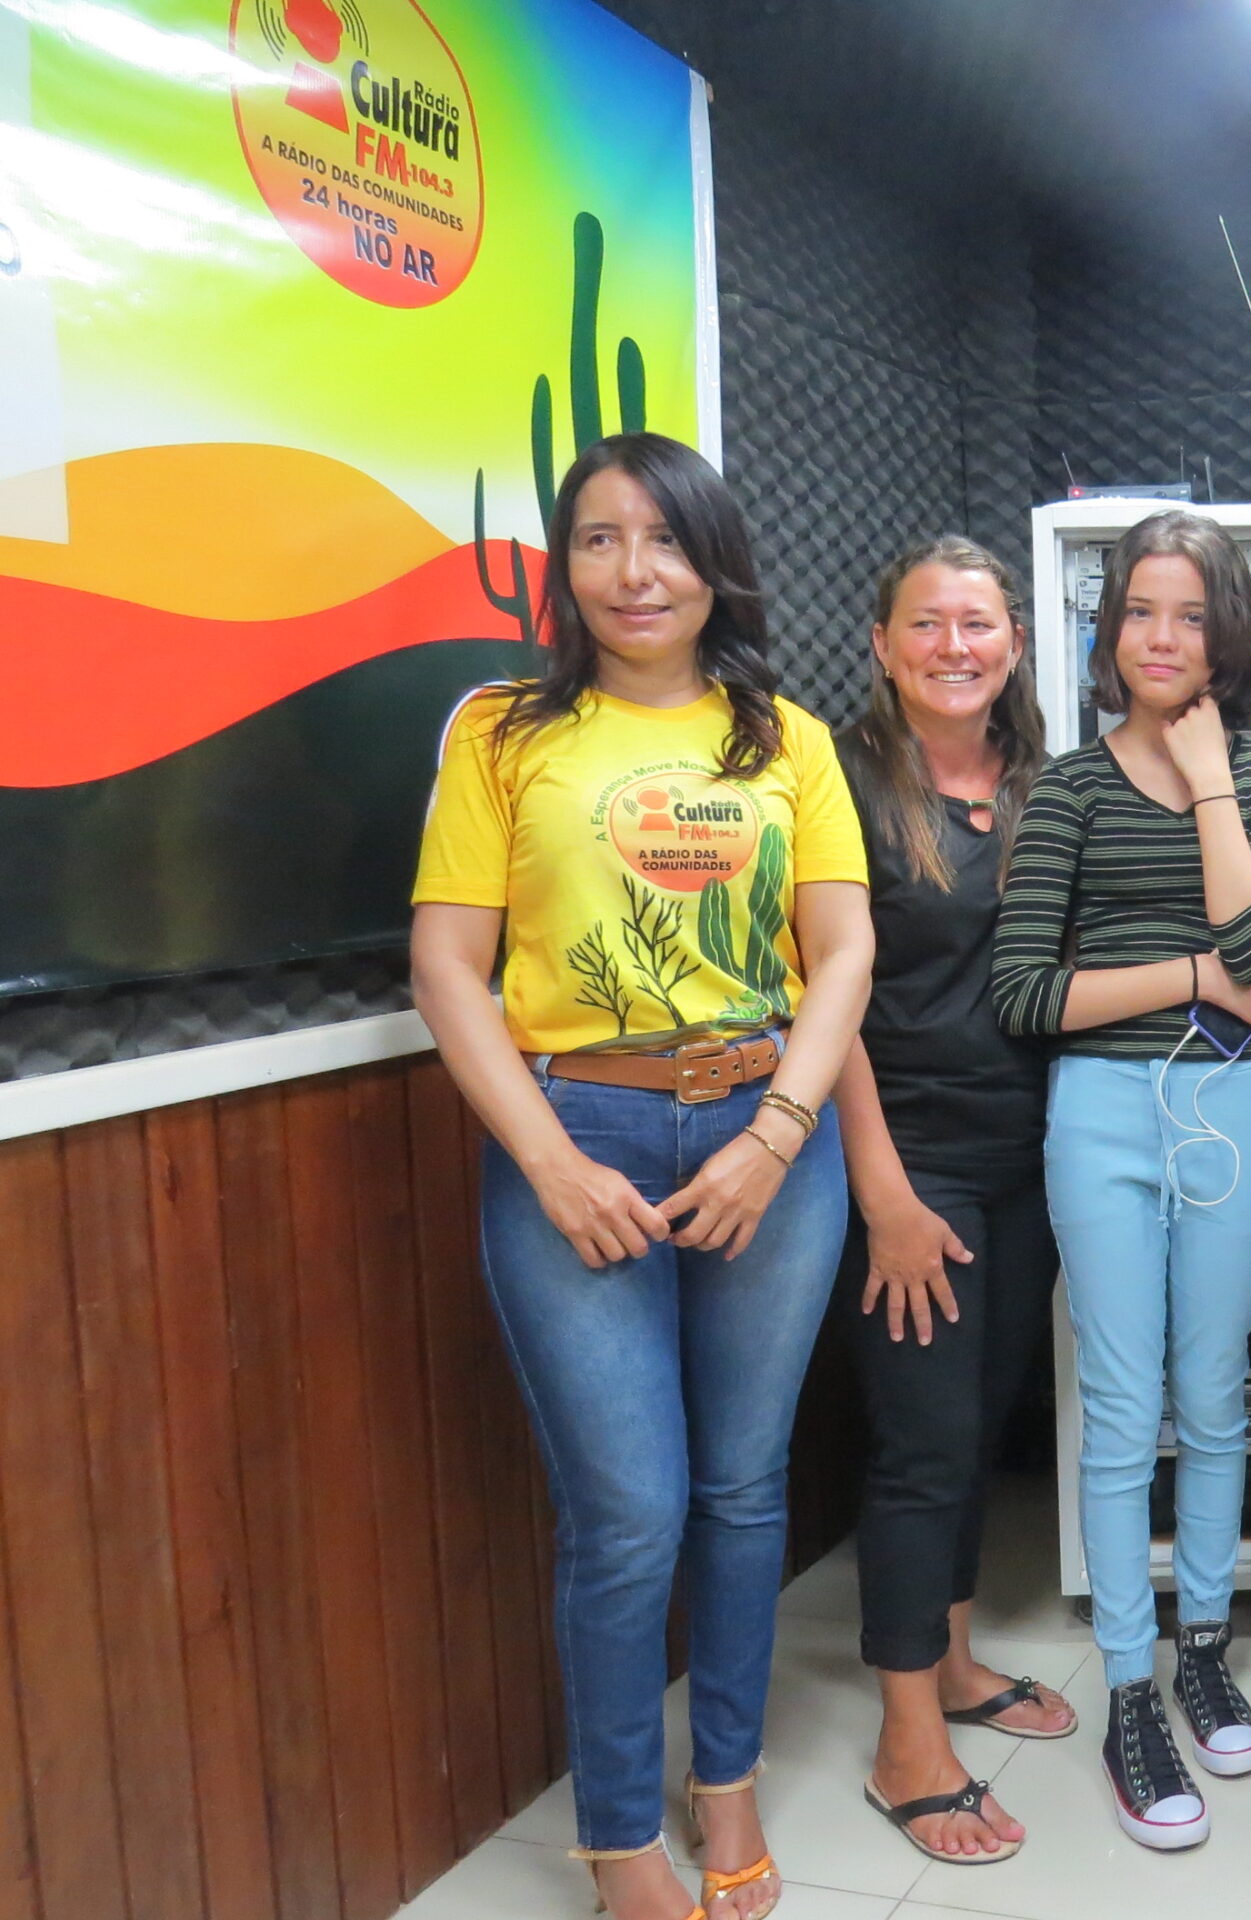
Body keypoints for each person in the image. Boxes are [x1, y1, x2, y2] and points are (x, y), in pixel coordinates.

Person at [411, 432, 874, 1920]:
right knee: (629, 1511)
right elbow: (447, 967)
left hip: (766, 1136)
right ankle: (619, 1838)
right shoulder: (501, 734)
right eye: (600, 539)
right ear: (566, 567)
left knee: (742, 1489)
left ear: (714, 560)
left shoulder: (786, 738)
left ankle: (724, 1774)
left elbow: (842, 950)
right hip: (577, 1142)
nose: (634, 571)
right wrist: (548, 1165)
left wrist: (778, 1136)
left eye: (665, 539)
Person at [990, 509, 1251, 1850]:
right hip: (1103, 1111)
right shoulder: (1066, 787)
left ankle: (1204, 1651)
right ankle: (1131, 1688)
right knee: (1121, 1409)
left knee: (1214, 1393)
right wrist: (1193, 978)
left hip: (1230, 1105)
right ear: (1108, 628)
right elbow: (1024, 992)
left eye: (1188, 613)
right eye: (1138, 612)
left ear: (1226, 630)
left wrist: (1210, 778)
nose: (1161, 637)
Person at [834, 537, 1072, 1866]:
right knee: (921, 1445)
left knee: (978, 1423)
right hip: (909, 1160)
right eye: (925, 624)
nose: (953, 647)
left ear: (1014, 643)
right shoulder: (841, 783)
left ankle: (960, 1660)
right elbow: (823, 998)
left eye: (977, 624)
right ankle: (906, 1743)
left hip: (1024, 1159)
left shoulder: (1041, 782)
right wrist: (881, 1192)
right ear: (882, 644)